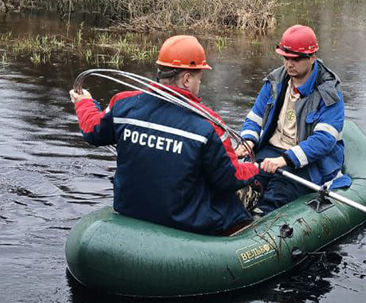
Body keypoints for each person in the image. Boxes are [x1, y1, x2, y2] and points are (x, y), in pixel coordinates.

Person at [70, 35, 259, 235]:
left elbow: (93, 131)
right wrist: (254, 168)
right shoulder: (208, 125)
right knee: (241, 197)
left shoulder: (123, 104)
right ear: (187, 79)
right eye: (198, 78)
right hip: (184, 223)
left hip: (130, 211)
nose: (198, 84)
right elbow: (228, 178)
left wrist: (84, 103)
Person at [236, 24, 349, 214]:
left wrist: (284, 160)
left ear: (312, 57)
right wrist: (248, 141)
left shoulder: (329, 93)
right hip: (271, 150)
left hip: (309, 161)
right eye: (285, 58)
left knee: (281, 189)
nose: (288, 64)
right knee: (244, 182)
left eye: (295, 59)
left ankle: (259, 221)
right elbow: (254, 119)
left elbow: (324, 141)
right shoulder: (275, 82)